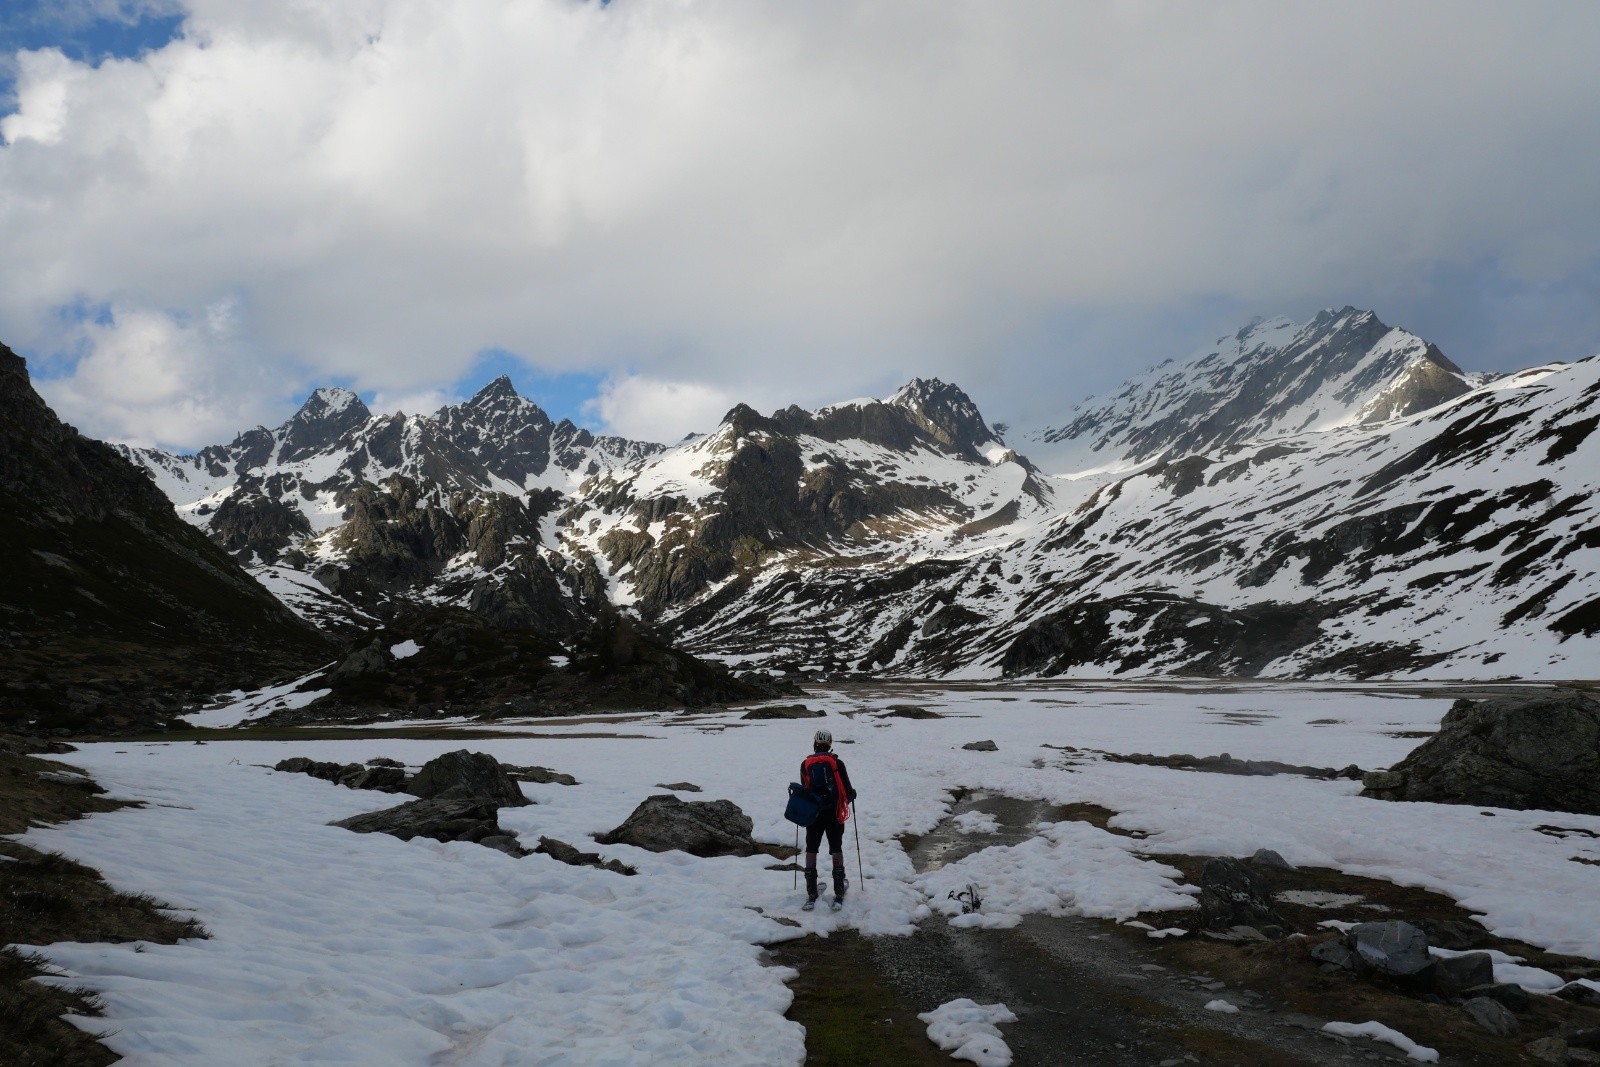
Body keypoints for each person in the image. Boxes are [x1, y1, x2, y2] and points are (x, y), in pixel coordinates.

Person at [800, 728, 856, 910]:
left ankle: (811, 892)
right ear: (830, 743)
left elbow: (805, 788)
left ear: (815, 743)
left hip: (814, 814)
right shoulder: (836, 763)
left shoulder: (806, 764)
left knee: (811, 848)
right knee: (836, 847)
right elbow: (847, 791)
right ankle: (839, 890)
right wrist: (851, 795)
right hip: (834, 813)